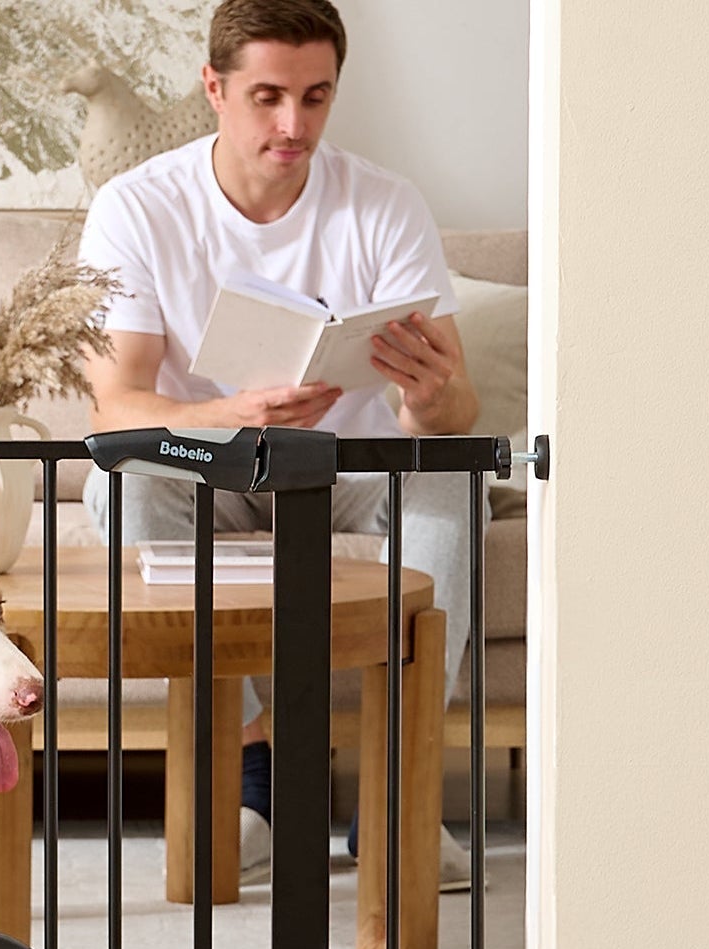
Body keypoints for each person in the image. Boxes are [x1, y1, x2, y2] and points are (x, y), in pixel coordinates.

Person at [78, 0, 482, 889]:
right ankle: (250, 775)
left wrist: (430, 395)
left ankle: (395, 795)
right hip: (208, 465)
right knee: (123, 482)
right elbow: (116, 405)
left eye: (316, 97)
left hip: (349, 471)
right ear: (214, 88)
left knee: (455, 483)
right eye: (266, 97)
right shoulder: (138, 206)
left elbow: (453, 414)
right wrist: (233, 414)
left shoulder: (384, 204)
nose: (293, 125)